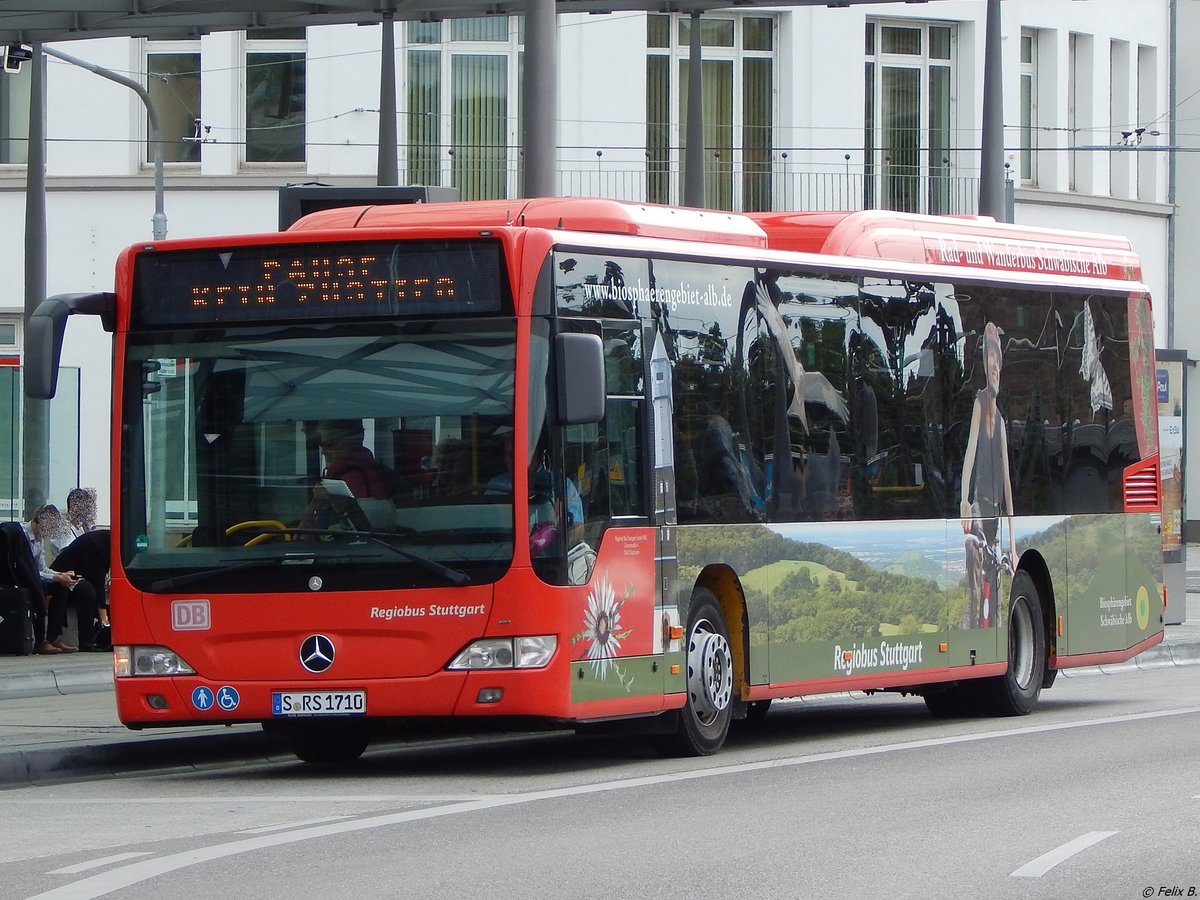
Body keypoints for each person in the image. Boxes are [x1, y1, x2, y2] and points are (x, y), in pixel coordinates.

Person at [960, 322, 1017, 629]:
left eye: (998, 366)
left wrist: (1014, 543)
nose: (994, 371)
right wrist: (964, 500)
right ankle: (972, 610)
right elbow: (970, 452)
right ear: (984, 367)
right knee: (972, 550)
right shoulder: (980, 403)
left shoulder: (1004, 424)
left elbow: (1007, 483)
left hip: (996, 513)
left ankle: (992, 622)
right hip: (981, 507)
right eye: (989, 365)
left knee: (996, 573)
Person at [21, 505, 97, 654]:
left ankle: (52, 637)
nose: (47, 534)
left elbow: (42, 568)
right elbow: (30, 571)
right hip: (24, 579)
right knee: (46, 587)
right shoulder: (23, 535)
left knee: (61, 586)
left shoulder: (39, 539)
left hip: (36, 577)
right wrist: (56, 577)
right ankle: (41, 640)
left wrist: (60, 575)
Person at [300, 420, 392, 531]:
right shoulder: (342, 472)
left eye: (328, 445)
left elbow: (360, 527)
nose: (323, 452)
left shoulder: (354, 478)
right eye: (320, 445)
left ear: (349, 443)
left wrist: (328, 498)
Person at [51, 529, 111, 651]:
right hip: (62, 579)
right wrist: (104, 619)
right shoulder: (98, 547)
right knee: (87, 591)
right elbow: (97, 581)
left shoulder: (104, 541)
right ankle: (86, 642)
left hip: (78, 577)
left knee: (90, 591)